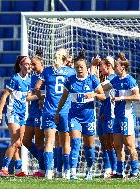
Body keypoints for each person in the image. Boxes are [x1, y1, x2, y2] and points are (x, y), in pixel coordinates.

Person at [55, 50, 106, 180]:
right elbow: (63, 98)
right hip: (74, 116)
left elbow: (103, 96)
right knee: (75, 142)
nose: (79, 69)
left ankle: (89, 170)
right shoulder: (70, 80)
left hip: (88, 117)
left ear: (86, 67)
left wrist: (93, 95)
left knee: (89, 147)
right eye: (77, 67)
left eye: (81, 67)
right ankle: (72, 173)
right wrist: (57, 111)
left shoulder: (92, 80)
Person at [35, 48, 75, 179]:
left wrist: (41, 98)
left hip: (49, 111)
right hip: (65, 111)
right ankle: (66, 172)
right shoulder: (70, 72)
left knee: (49, 142)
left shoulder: (47, 71)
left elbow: (36, 88)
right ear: (65, 59)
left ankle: (49, 172)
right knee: (65, 143)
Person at [102, 55, 140, 179]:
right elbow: (103, 88)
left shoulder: (130, 80)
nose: (114, 68)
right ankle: (119, 172)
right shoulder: (115, 80)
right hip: (117, 117)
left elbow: (137, 97)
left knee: (129, 145)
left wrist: (121, 98)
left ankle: (135, 172)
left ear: (122, 67)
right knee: (117, 145)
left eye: (116, 66)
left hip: (127, 116)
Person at [0, 55, 31, 177]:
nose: (29, 66)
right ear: (20, 65)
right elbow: (4, 95)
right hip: (13, 112)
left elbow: (28, 97)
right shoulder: (15, 79)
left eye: (30, 64)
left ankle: (18, 169)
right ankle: (3, 169)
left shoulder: (29, 80)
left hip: (23, 114)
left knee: (19, 142)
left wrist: (43, 96)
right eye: (26, 64)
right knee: (16, 142)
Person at [92, 55, 118, 178]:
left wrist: (93, 71)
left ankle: (115, 169)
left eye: (101, 66)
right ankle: (108, 168)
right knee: (104, 143)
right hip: (104, 113)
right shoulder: (107, 78)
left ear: (108, 66)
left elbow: (99, 89)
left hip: (112, 115)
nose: (100, 69)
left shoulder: (113, 79)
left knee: (111, 143)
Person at [23, 51, 45, 177]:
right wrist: (38, 97)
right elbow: (28, 97)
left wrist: (38, 96)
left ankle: (43, 169)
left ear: (41, 63)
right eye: (30, 64)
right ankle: (47, 161)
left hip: (41, 113)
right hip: (32, 112)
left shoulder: (47, 76)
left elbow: (50, 93)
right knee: (25, 141)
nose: (31, 66)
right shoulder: (32, 78)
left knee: (39, 142)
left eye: (34, 64)